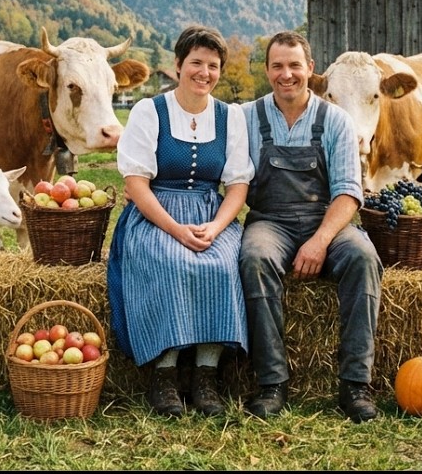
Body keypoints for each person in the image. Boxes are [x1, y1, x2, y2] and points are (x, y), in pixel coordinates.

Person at [106, 24, 254, 417]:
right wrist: (175, 229)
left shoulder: (230, 117)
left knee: (223, 263)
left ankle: (206, 376)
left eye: (213, 65)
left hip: (210, 212)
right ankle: (165, 375)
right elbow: (136, 185)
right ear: (177, 65)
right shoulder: (149, 111)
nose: (204, 73)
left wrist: (218, 227)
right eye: (196, 63)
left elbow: (237, 186)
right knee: (168, 261)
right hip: (155, 214)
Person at [239, 30, 383, 423]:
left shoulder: (335, 120)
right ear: (267, 71)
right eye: (278, 66)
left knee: (363, 257)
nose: (287, 74)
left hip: (329, 219)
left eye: (294, 66)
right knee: (253, 257)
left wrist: (320, 241)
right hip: (270, 221)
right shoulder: (247, 117)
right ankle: (272, 383)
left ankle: (355, 384)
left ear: (311, 69)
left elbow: (350, 194)